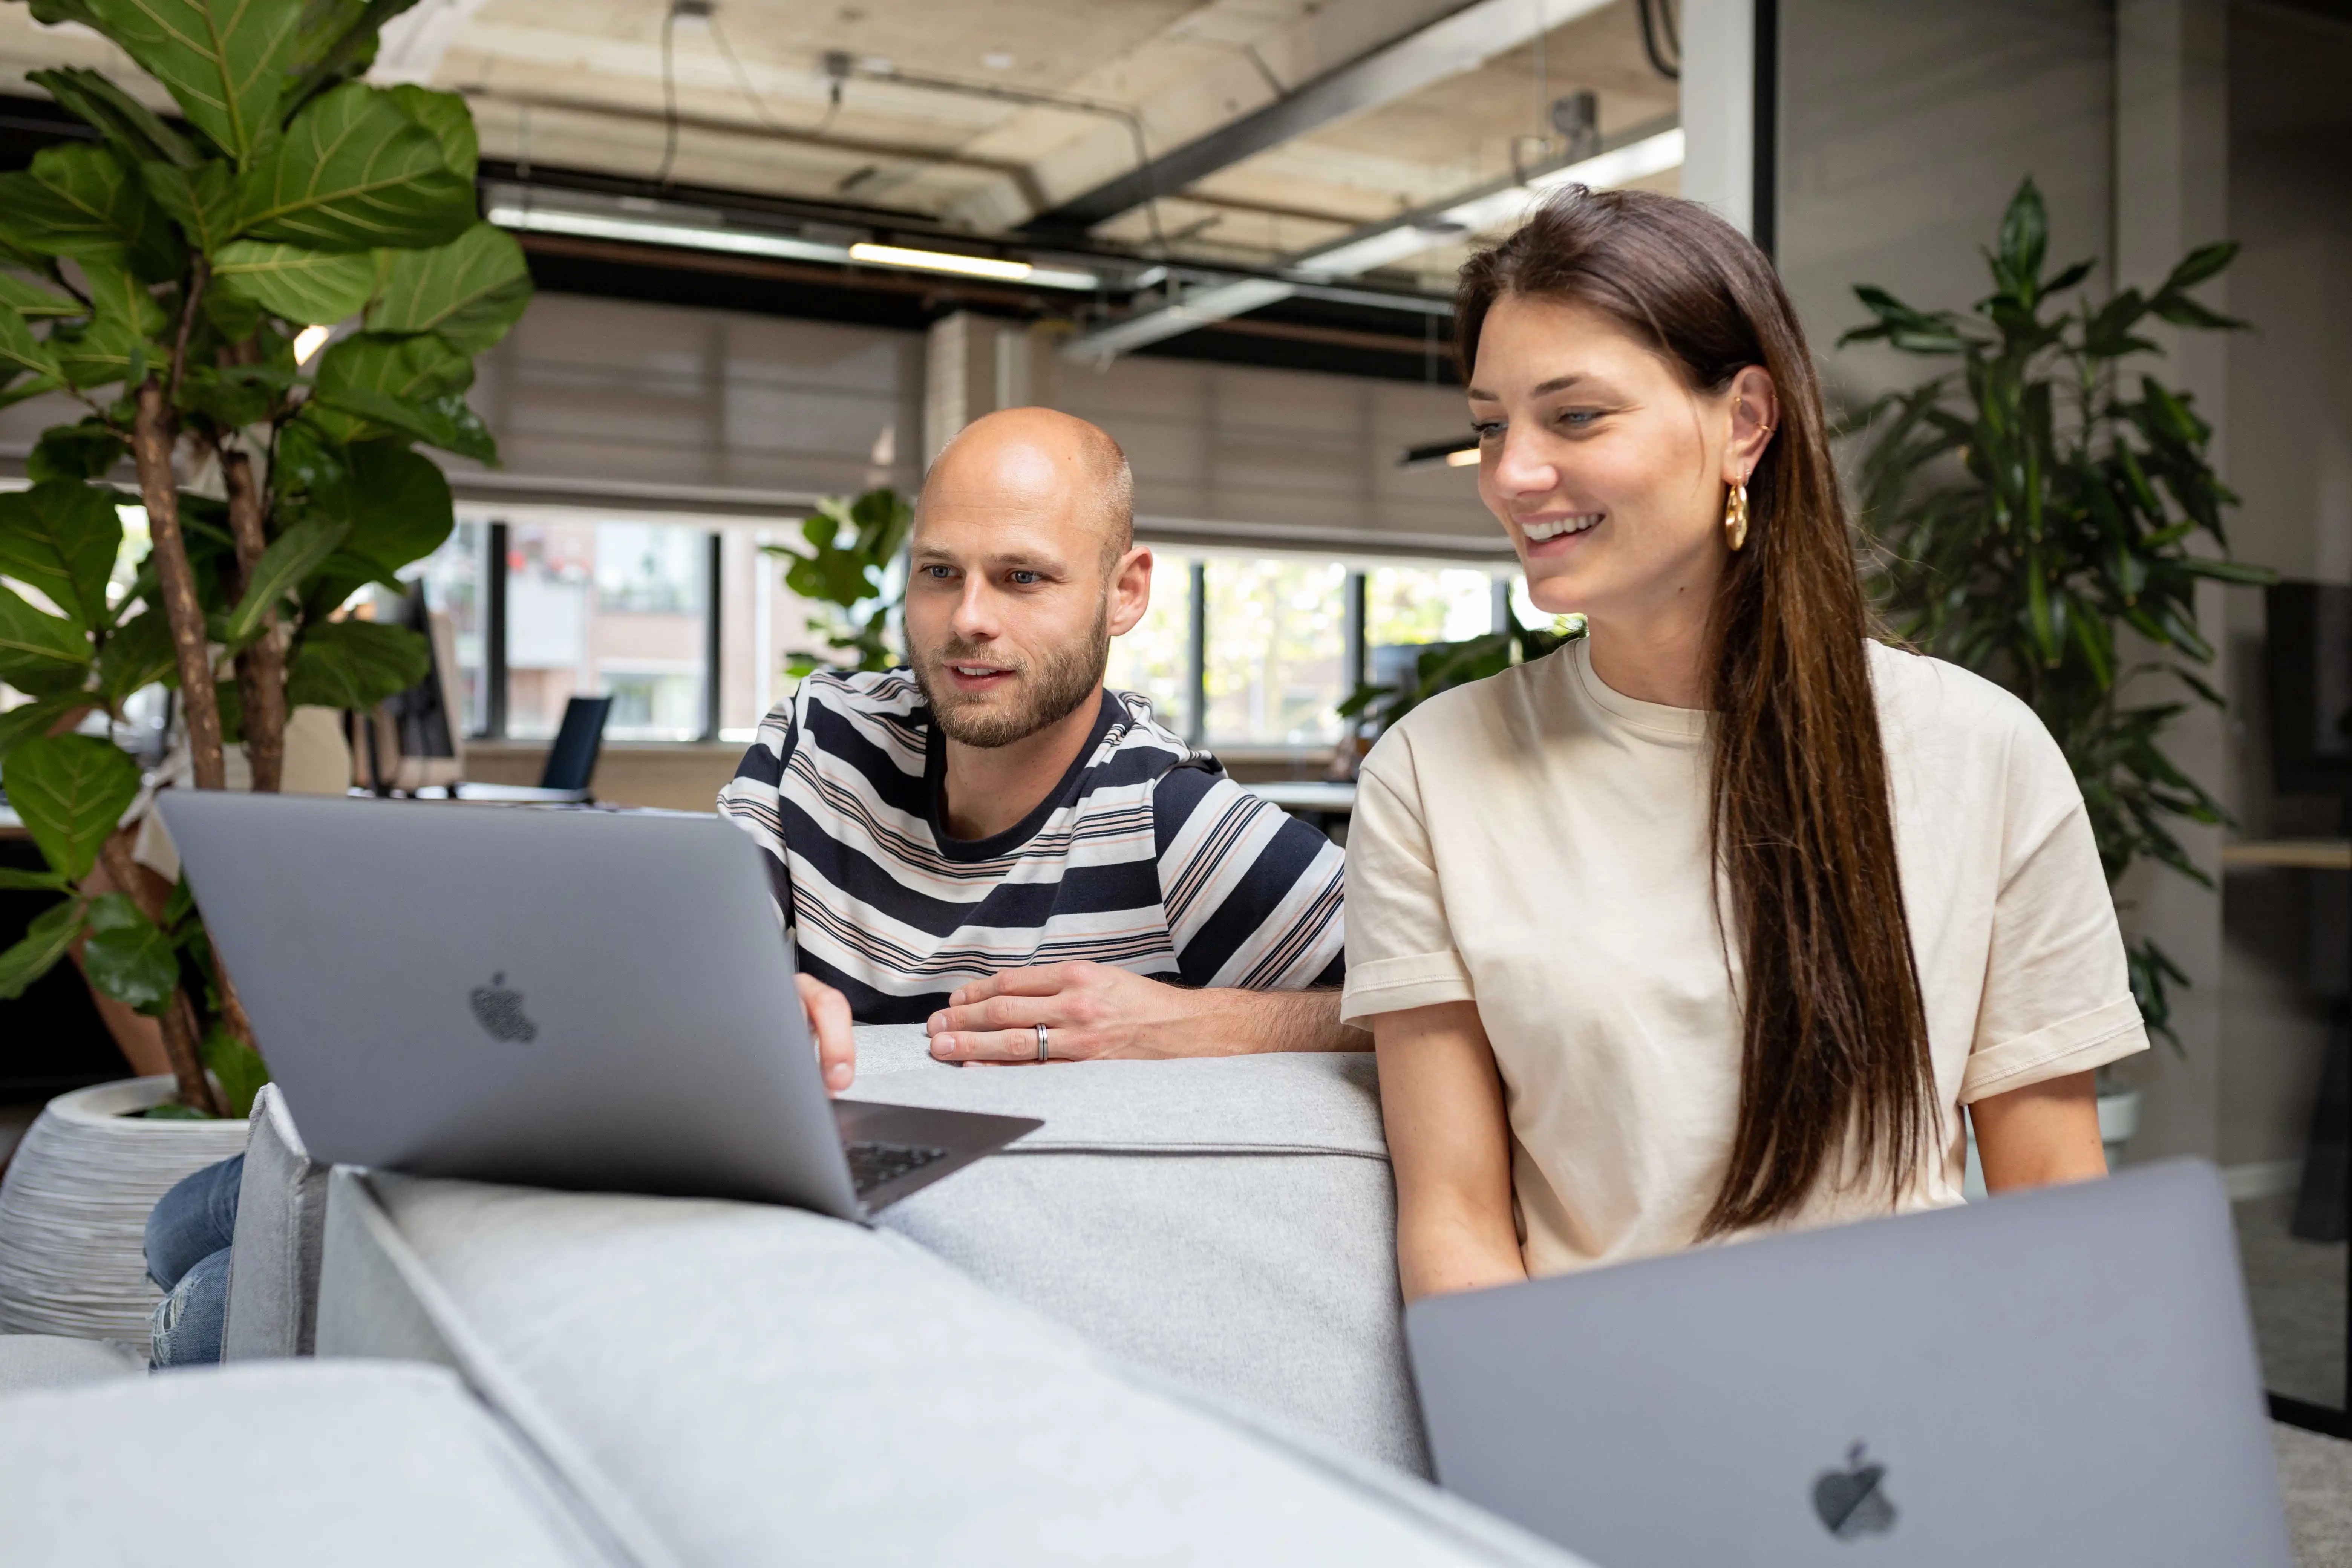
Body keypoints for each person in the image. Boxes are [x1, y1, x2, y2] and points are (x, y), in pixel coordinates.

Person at [1344, 187, 2147, 1304]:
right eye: (1491, 425)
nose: (1513, 474)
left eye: (1574, 417)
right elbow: (1459, 1223)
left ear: (1745, 424)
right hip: (1600, 1418)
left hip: (1916, 1420)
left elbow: (2055, 1192)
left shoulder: (1981, 751)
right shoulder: (1433, 772)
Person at [720, 407, 1354, 1090]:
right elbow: (683, 954)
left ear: (1126, 593)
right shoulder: (818, 739)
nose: (969, 618)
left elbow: (1440, 997)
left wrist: (1189, 1022)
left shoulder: (1170, 817)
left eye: (1023, 577)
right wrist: (731, 996)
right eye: (939, 571)